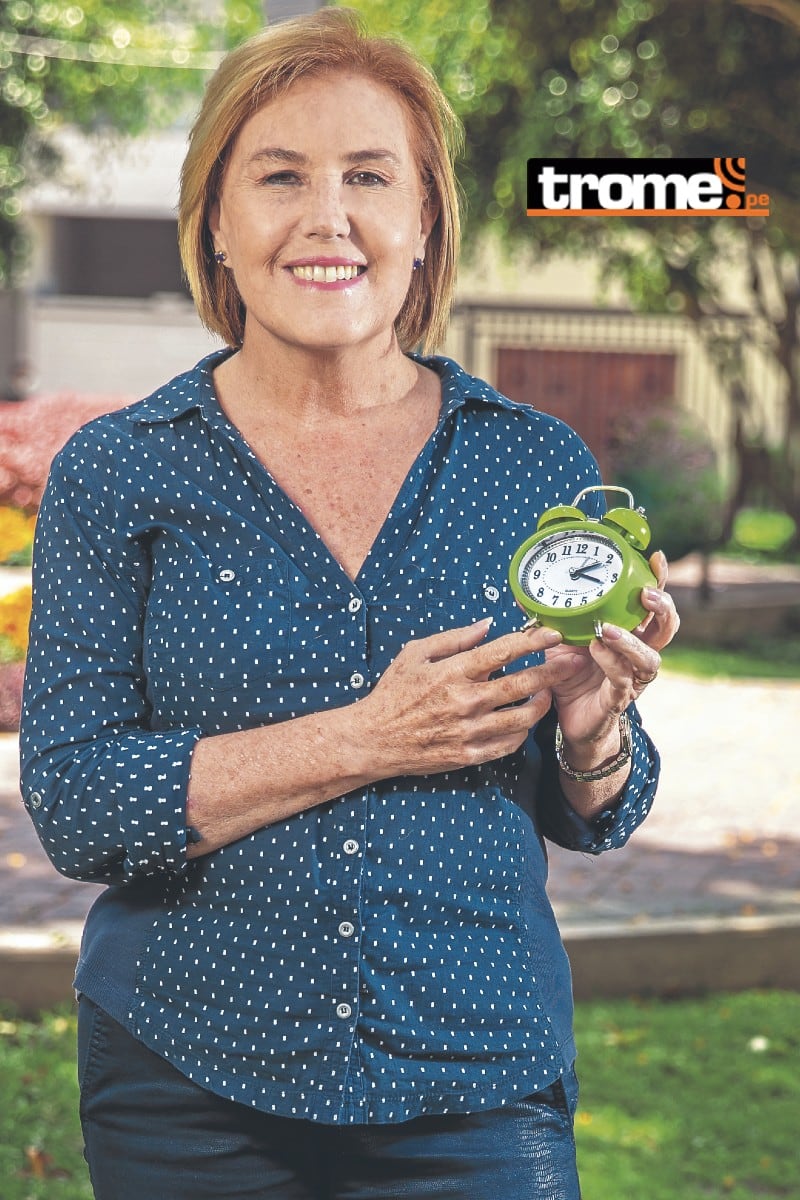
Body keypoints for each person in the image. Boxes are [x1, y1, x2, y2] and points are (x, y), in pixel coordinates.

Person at [20, 9, 679, 1199]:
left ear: (423, 221)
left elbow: (596, 811)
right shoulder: (119, 472)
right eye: (280, 176)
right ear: (216, 223)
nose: (328, 218)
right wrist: (364, 738)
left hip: (478, 1075)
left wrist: (593, 730)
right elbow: (76, 804)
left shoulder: (532, 466)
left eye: (368, 176)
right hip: (186, 1075)